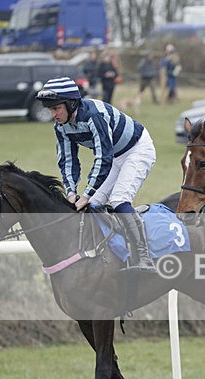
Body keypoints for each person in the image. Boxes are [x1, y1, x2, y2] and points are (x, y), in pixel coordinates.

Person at [35, 77, 157, 271]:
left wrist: (85, 194)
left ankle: (144, 257)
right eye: (50, 109)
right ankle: (110, 253)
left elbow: (103, 157)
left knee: (119, 200)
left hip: (137, 149)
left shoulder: (94, 115)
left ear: (71, 103)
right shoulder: (61, 127)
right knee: (92, 206)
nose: (53, 114)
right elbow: (67, 160)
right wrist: (71, 192)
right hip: (115, 156)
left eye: (56, 108)